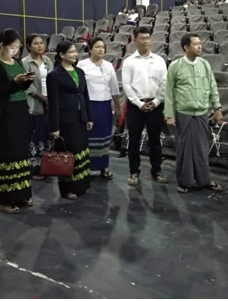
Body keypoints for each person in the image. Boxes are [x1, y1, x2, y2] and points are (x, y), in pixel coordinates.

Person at [165, 33, 223, 193]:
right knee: (184, 148)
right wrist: (169, 114)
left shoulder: (205, 64)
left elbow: (212, 87)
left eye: (200, 43)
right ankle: (184, 181)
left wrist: (217, 108)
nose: (199, 46)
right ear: (186, 47)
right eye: (196, 44)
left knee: (202, 148)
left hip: (202, 113)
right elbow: (169, 92)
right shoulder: (175, 66)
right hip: (183, 113)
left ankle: (204, 179)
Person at [0, 28, 35, 214]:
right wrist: (15, 82)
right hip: (6, 115)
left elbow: (22, 88)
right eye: (12, 47)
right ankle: (6, 199)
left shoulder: (17, 62)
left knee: (21, 154)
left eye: (18, 48)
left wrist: (27, 80)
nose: (15, 51)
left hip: (21, 111)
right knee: (8, 154)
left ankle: (22, 194)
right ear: (2, 45)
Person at [121, 26, 168, 186]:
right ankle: (134, 172)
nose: (145, 41)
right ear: (135, 40)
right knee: (134, 140)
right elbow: (127, 85)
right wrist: (139, 103)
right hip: (136, 106)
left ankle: (157, 170)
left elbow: (164, 83)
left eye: (148, 38)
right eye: (142, 38)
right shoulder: (129, 61)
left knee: (155, 140)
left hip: (156, 104)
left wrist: (156, 101)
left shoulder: (159, 60)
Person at [47, 41, 93, 200]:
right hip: (65, 120)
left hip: (80, 118)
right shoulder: (54, 75)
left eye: (75, 51)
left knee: (81, 151)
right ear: (61, 55)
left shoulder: (79, 72)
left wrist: (89, 117)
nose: (75, 54)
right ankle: (68, 188)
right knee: (68, 154)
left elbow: (85, 95)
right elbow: (53, 103)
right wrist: (54, 127)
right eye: (71, 52)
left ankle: (82, 184)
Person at [77, 37, 122, 179]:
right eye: (97, 47)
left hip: (104, 106)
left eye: (102, 47)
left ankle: (104, 166)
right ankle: (86, 166)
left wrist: (118, 107)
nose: (101, 49)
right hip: (88, 105)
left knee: (104, 137)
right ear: (90, 49)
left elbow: (114, 88)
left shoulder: (108, 65)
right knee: (88, 137)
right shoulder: (82, 65)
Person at [22, 34, 54, 180]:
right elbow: (27, 86)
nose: (40, 46)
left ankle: (47, 166)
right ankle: (34, 169)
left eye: (42, 43)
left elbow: (53, 79)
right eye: (36, 43)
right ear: (29, 46)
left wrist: (51, 98)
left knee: (47, 136)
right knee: (36, 137)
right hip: (35, 104)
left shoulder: (47, 60)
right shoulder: (25, 63)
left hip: (49, 104)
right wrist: (43, 98)